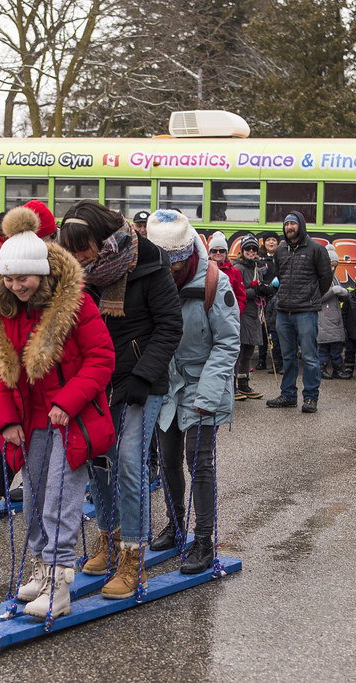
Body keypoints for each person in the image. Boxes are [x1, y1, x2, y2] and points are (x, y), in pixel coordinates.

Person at [0, 206, 115, 619]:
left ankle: (59, 586)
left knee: (61, 499)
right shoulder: (4, 309)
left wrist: (67, 401)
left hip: (69, 418)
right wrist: (6, 421)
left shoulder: (75, 306)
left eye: (22, 277)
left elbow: (102, 357)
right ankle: (42, 572)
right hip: (31, 420)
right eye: (8, 277)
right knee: (36, 498)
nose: (15, 285)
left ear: (41, 273)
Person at [59, 200, 182, 599]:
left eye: (84, 248)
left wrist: (144, 376)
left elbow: (169, 326)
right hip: (97, 381)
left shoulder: (148, 265)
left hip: (140, 382)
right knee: (97, 459)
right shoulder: (80, 275)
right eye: (71, 249)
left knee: (129, 463)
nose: (78, 257)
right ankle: (109, 537)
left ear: (105, 240)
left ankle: (132, 555)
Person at [145, 210, 240, 574]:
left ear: (188, 255)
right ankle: (175, 524)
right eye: (163, 265)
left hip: (204, 381)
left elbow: (228, 342)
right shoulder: (152, 277)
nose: (170, 272)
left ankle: (203, 539)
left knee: (198, 462)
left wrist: (208, 396)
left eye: (177, 264)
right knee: (167, 461)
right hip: (167, 382)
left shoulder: (215, 282)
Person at [266, 211, 331, 413]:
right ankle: (288, 395)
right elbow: (280, 276)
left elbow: (325, 278)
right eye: (286, 225)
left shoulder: (316, 249)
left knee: (310, 357)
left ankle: (311, 398)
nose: (289, 228)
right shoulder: (280, 251)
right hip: (284, 311)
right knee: (288, 356)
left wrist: (312, 297)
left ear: (301, 226)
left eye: (293, 224)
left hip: (306, 311)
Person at [233, 235, 265, 399]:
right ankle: (232, 386)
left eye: (254, 249)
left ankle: (244, 384)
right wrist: (254, 292)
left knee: (249, 351)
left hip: (253, 314)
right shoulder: (237, 268)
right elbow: (235, 293)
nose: (251, 251)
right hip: (241, 313)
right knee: (237, 351)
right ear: (242, 251)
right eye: (248, 248)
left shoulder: (257, 269)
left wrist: (265, 291)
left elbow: (259, 291)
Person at [317, 244, 349, 379]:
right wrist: (333, 291)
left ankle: (337, 369)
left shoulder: (334, 277)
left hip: (334, 318)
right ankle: (322, 368)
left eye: (335, 265)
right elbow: (317, 297)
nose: (332, 268)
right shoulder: (319, 278)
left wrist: (343, 292)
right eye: (330, 265)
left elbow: (340, 292)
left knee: (336, 348)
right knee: (324, 347)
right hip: (324, 317)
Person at [256, 231, 281, 372]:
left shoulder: (281, 258)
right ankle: (261, 359)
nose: (271, 243)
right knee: (262, 330)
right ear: (264, 243)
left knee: (275, 331)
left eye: (273, 240)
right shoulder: (260, 260)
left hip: (277, 299)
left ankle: (276, 360)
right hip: (263, 300)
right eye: (268, 240)